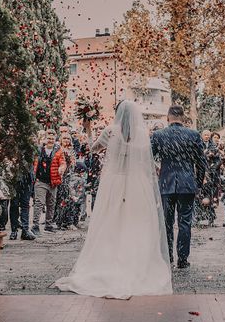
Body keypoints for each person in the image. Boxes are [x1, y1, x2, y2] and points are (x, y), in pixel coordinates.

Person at [53, 101, 173, 299]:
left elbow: (93, 149)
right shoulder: (142, 134)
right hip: (137, 183)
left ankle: (109, 260)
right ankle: (136, 263)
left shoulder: (110, 131)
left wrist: (90, 130)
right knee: (137, 223)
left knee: (111, 221)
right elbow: (146, 163)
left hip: (115, 182)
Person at [151, 105, 207, 268]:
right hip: (187, 183)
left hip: (166, 183)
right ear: (183, 118)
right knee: (185, 223)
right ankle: (183, 259)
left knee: (166, 223)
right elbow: (201, 162)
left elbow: (150, 158)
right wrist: (198, 183)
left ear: (168, 118)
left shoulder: (158, 135)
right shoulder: (193, 135)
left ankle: (168, 256)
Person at [32, 130, 66, 235]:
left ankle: (48, 225)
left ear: (55, 139)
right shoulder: (39, 150)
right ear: (45, 139)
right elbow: (33, 162)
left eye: (52, 138)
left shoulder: (58, 151)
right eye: (48, 138)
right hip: (41, 181)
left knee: (51, 204)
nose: (50, 140)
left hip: (53, 182)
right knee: (39, 203)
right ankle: (35, 226)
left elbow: (63, 162)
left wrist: (62, 168)